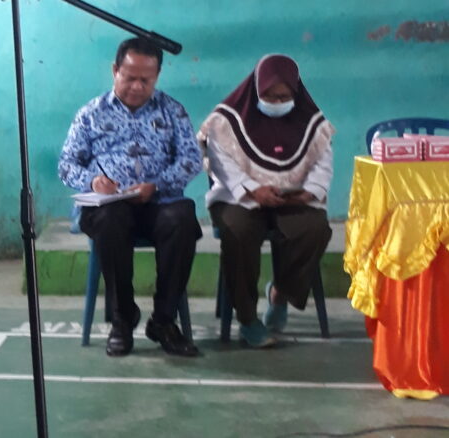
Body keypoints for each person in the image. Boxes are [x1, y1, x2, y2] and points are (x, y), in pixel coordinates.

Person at [59, 38, 202, 358]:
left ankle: (163, 321)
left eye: (146, 80)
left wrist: (157, 184)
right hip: (109, 206)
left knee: (182, 218)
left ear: (157, 76)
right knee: (110, 222)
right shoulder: (91, 114)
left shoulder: (173, 111)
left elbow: (191, 159)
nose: (137, 86)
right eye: (129, 77)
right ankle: (122, 319)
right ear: (115, 70)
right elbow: (67, 165)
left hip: (159, 202)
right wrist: (93, 181)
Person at [198, 54, 333, 348]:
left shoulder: (311, 121)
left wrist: (310, 191)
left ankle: (280, 293)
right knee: (238, 231)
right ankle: (248, 319)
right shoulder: (226, 120)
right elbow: (219, 163)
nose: (277, 102)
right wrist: (251, 189)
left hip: (291, 198)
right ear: (256, 89)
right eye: (270, 96)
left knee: (314, 229)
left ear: (296, 92)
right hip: (239, 198)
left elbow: (322, 161)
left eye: (284, 97)